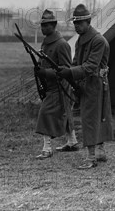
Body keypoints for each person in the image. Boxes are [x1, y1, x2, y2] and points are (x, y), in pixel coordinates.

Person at [58, 4, 113, 169]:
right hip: (86, 83)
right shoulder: (81, 40)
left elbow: (90, 66)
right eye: (75, 23)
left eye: (80, 23)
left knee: (92, 119)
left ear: (88, 22)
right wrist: (70, 75)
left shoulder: (98, 40)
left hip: (96, 84)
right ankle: (100, 152)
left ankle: (91, 158)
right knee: (95, 118)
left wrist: (69, 72)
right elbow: (77, 63)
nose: (76, 26)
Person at [34, 9, 78, 159]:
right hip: (51, 85)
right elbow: (43, 62)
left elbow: (65, 70)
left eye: (46, 25)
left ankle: (47, 149)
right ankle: (72, 141)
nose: (43, 28)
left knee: (45, 113)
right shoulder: (45, 44)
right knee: (65, 113)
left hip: (60, 87)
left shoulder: (61, 44)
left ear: (53, 25)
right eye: (42, 25)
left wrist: (45, 73)